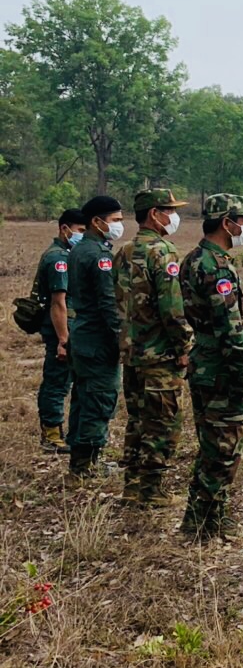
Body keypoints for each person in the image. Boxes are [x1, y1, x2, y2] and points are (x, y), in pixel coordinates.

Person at [178, 194, 243, 541]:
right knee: (223, 451)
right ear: (226, 223)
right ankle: (201, 525)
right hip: (221, 371)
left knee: (213, 447)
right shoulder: (214, 267)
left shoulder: (195, 259)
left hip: (207, 366)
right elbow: (229, 329)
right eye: (242, 221)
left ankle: (211, 517)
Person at [116, 188, 194, 507]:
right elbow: (172, 309)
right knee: (163, 421)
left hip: (132, 353)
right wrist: (185, 344)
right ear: (153, 214)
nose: (173, 216)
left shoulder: (124, 251)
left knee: (136, 420)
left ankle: (132, 485)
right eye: (169, 210)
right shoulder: (162, 252)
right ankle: (152, 489)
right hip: (159, 356)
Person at [66, 196, 126, 480]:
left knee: (83, 396)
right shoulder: (99, 256)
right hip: (98, 341)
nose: (118, 225)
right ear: (97, 222)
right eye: (115, 220)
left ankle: (79, 458)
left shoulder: (80, 249)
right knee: (100, 399)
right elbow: (108, 304)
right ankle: (87, 464)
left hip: (83, 337)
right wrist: (120, 340)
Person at [34, 209, 85, 454]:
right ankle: (51, 434)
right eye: (80, 230)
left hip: (69, 327)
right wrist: (63, 339)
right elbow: (58, 303)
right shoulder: (58, 259)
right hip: (60, 330)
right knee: (57, 382)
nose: (82, 235)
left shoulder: (66, 254)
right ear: (65, 229)